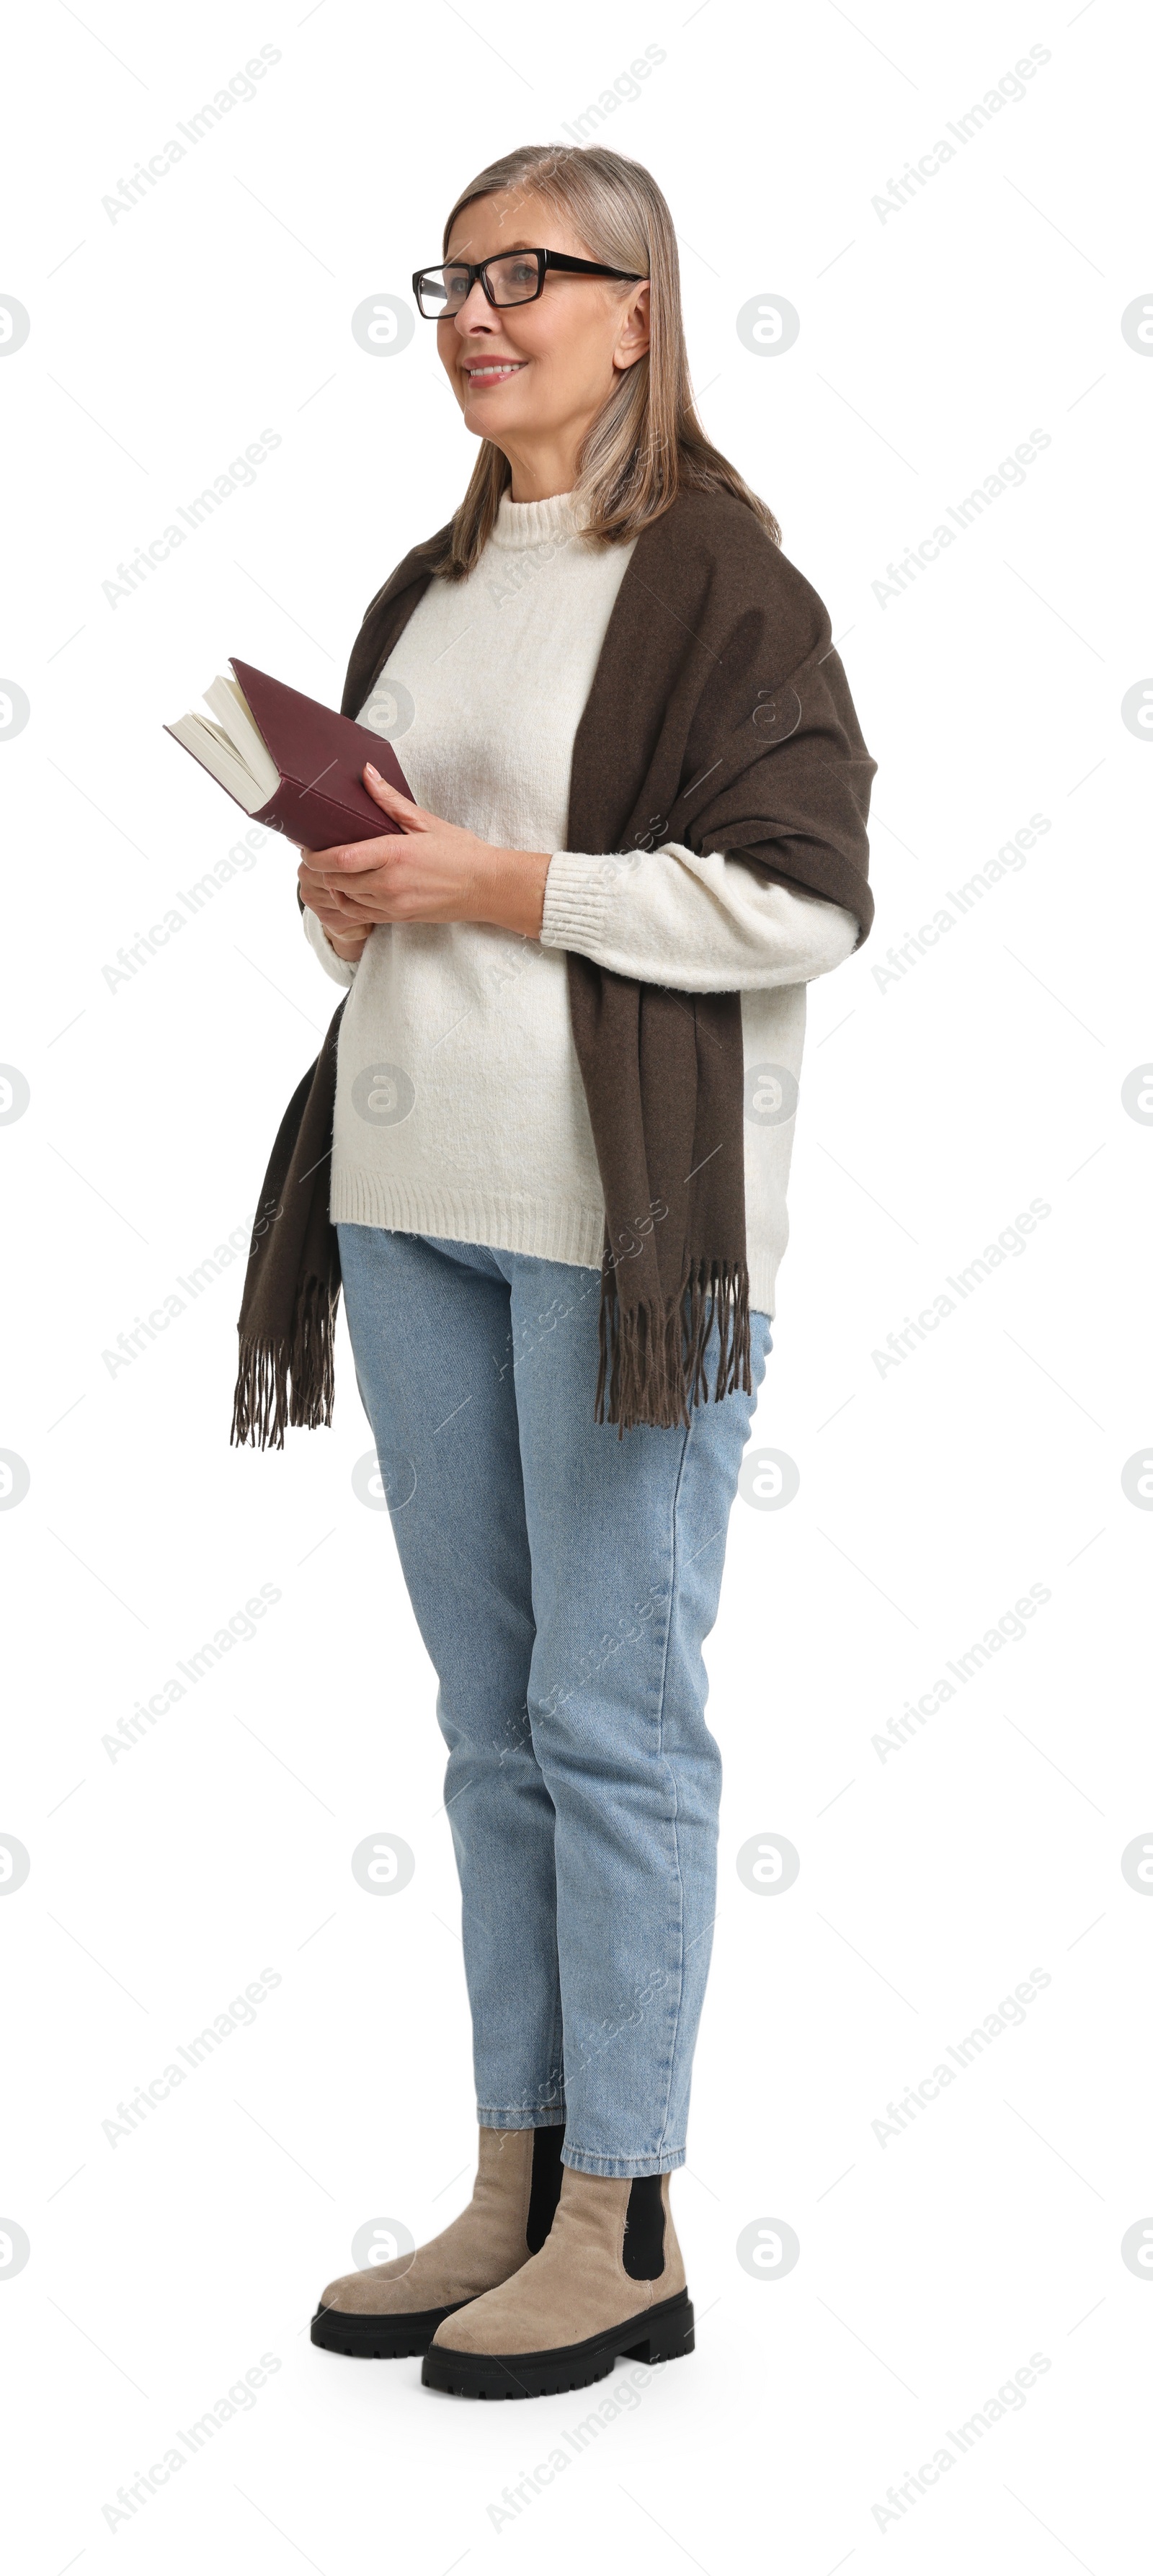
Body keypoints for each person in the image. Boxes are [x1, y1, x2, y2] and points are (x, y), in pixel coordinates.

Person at [242, 141, 875, 2401]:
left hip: (622, 1233)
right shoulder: (430, 577)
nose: (479, 309)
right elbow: (414, 872)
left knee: (611, 1724)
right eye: (452, 273)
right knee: (492, 1730)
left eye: (533, 272)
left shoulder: (722, 584)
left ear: (639, 309)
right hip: (408, 1207)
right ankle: (514, 2180)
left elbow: (801, 900)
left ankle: (629, 2220)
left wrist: (502, 885)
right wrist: (351, 894)